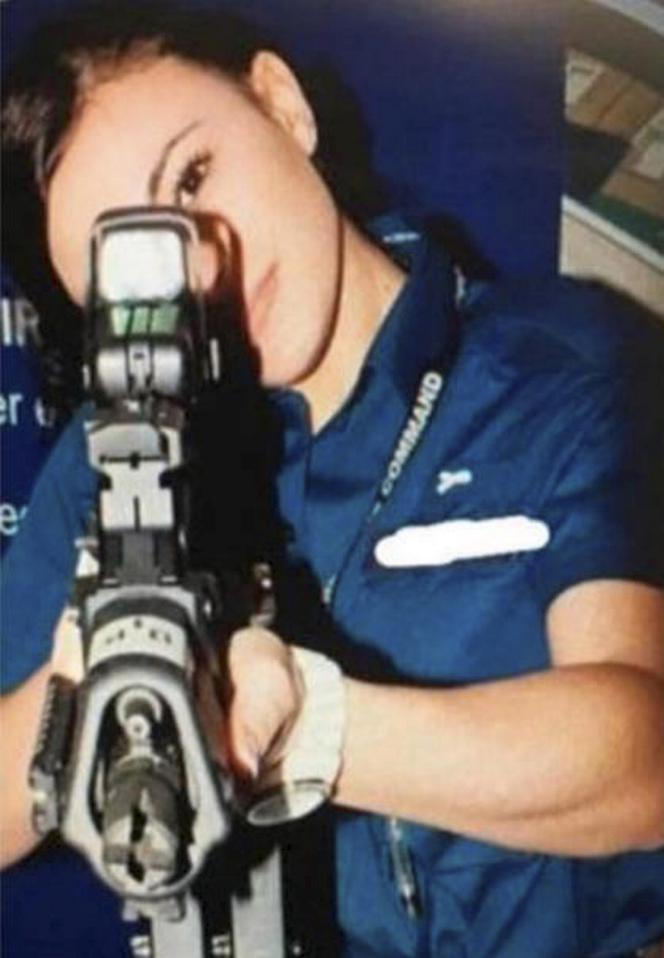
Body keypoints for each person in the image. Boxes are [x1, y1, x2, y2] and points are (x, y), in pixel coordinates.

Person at [2, 2, 664, 955]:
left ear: (283, 105)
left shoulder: (563, 361)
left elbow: (644, 763)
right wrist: (98, 680)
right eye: (132, 279)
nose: (200, 270)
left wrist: (311, 729)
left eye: (193, 176)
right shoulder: (119, 450)